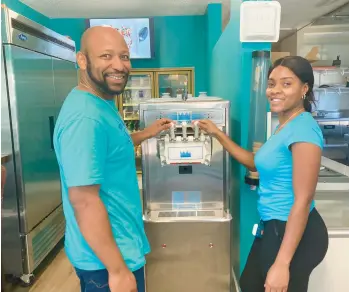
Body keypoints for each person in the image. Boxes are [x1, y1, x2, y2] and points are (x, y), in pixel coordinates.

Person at [53, 26, 172, 292]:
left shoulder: (101, 103)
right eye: (106, 56)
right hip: (106, 262)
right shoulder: (85, 118)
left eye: (124, 56)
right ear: (82, 60)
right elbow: (84, 201)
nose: (119, 65)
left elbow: (111, 148)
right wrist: (117, 270)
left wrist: (147, 133)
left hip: (119, 248)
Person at [197, 56, 328, 292]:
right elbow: (255, 162)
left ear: (304, 89)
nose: (275, 90)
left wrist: (282, 263)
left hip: (292, 234)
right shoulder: (284, 126)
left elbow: (303, 200)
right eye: (271, 83)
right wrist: (217, 134)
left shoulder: (304, 130)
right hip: (273, 228)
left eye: (286, 84)